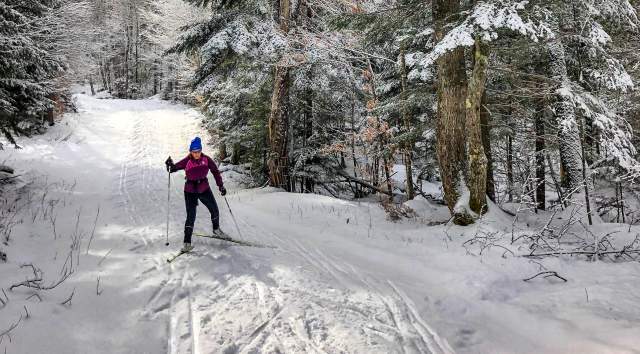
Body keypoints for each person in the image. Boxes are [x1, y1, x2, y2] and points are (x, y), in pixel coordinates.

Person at [165, 137, 227, 252]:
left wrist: (221, 186)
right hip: (190, 191)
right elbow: (173, 168)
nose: (196, 154)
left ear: (201, 150)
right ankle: (187, 242)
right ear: (190, 151)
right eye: (194, 152)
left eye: (198, 151)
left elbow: (215, 172)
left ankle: (216, 229)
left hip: (204, 188)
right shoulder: (187, 161)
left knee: (214, 209)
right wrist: (169, 164)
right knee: (191, 216)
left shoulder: (207, 159)